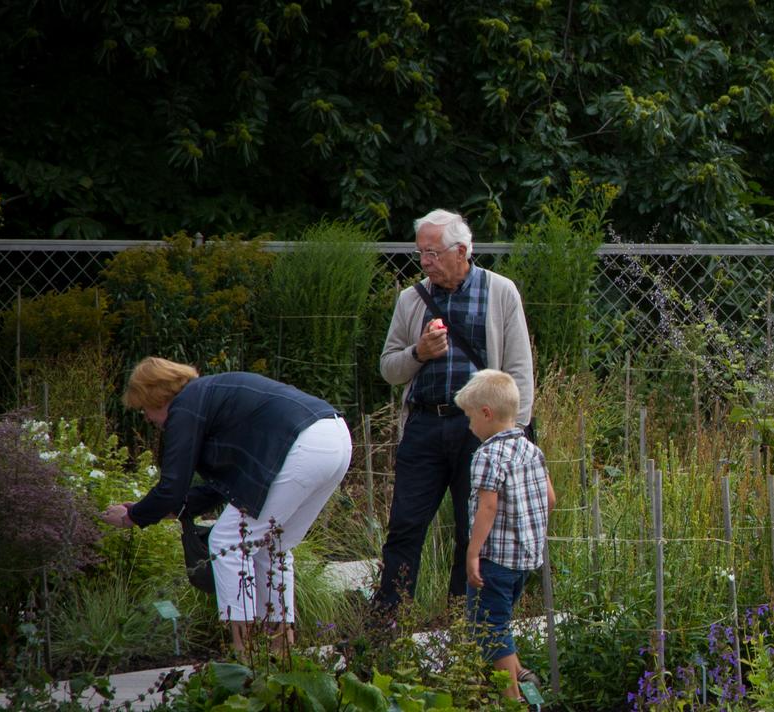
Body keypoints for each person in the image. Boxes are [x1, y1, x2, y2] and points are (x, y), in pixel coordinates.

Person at [100, 357, 351, 656]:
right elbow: (217, 491)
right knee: (273, 545)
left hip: (303, 446)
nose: (146, 417)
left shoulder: (186, 406)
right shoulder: (210, 396)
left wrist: (133, 515)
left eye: (143, 408)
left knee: (228, 541)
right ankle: (280, 652)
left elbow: (172, 486)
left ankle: (244, 655)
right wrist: (158, 510)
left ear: (156, 395)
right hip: (335, 437)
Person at [376, 209, 535, 614]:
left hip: (480, 432)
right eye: (421, 253)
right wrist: (418, 353)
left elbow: (519, 371)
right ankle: (388, 624)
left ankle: (463, 627)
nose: (425, 261)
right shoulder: (412, 299)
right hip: (426, 425)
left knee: (474, 530)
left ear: (461, 250)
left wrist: (512, 434)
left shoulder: (500, 292)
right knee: (405, 527)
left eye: (432, 252)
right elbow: (389, 367)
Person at [456, 369, 554, 700]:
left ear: (486, 413)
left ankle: (513, 699)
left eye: (470, 417)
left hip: (494, 560)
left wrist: (472, 554)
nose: (469, 426)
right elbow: (550, 499)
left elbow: (487, 508)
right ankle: (522, 679)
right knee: (500, 623)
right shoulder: (531, 449)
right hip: (524, 560)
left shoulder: (487, 455)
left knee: (490, 629)